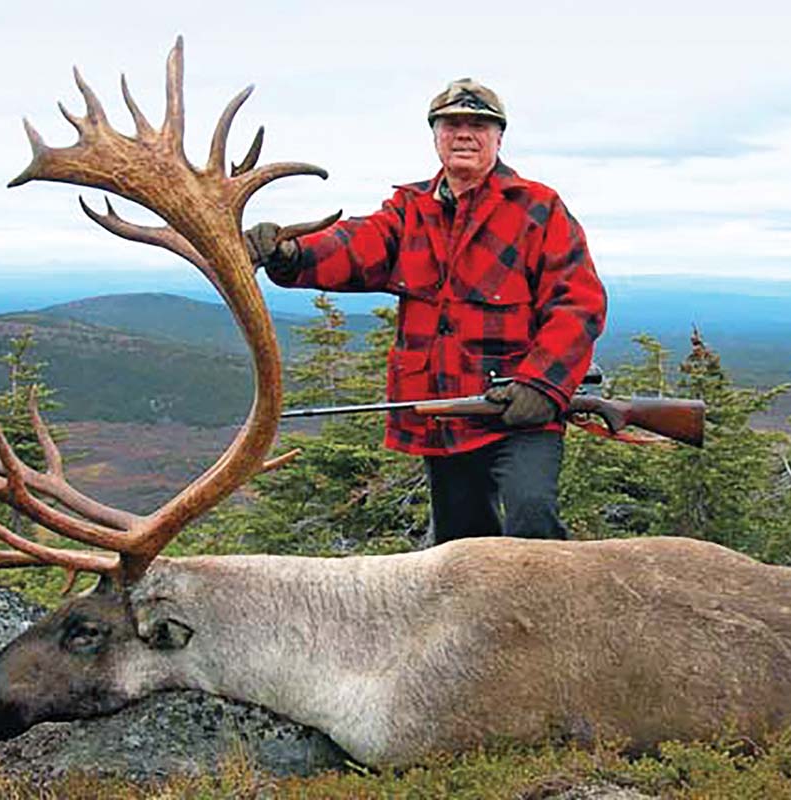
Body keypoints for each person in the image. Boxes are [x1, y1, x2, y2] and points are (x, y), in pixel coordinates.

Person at [245, 78, 606, 544]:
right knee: (459, 543)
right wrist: (292, 253)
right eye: (452, 124)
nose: (464, 134)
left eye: (479, 125)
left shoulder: (539, 208)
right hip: (448, 416)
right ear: (435, 136)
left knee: (531, 518)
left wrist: (541, 384)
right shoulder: (409, 211)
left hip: (522, 416)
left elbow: (579, 303)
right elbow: (356, 245)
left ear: (499, 137)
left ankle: (554, 615)